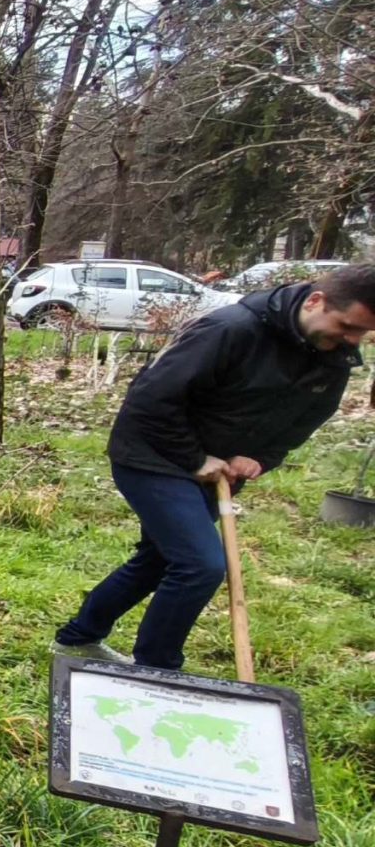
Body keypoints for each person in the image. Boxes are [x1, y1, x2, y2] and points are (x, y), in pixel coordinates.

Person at [55, 266, 375, 670]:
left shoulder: (333, 358)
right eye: (346, 326)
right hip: (152, 455)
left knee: (160, 560)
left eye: (361, 334)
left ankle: (77, 639)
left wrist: (259, 458)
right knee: (199, 564)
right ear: (315, 301)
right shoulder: (231, 329)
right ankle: (158, 668)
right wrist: (195, 458)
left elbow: (306, 419)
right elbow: (150, 401)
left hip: (219, 471)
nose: (351, 341)